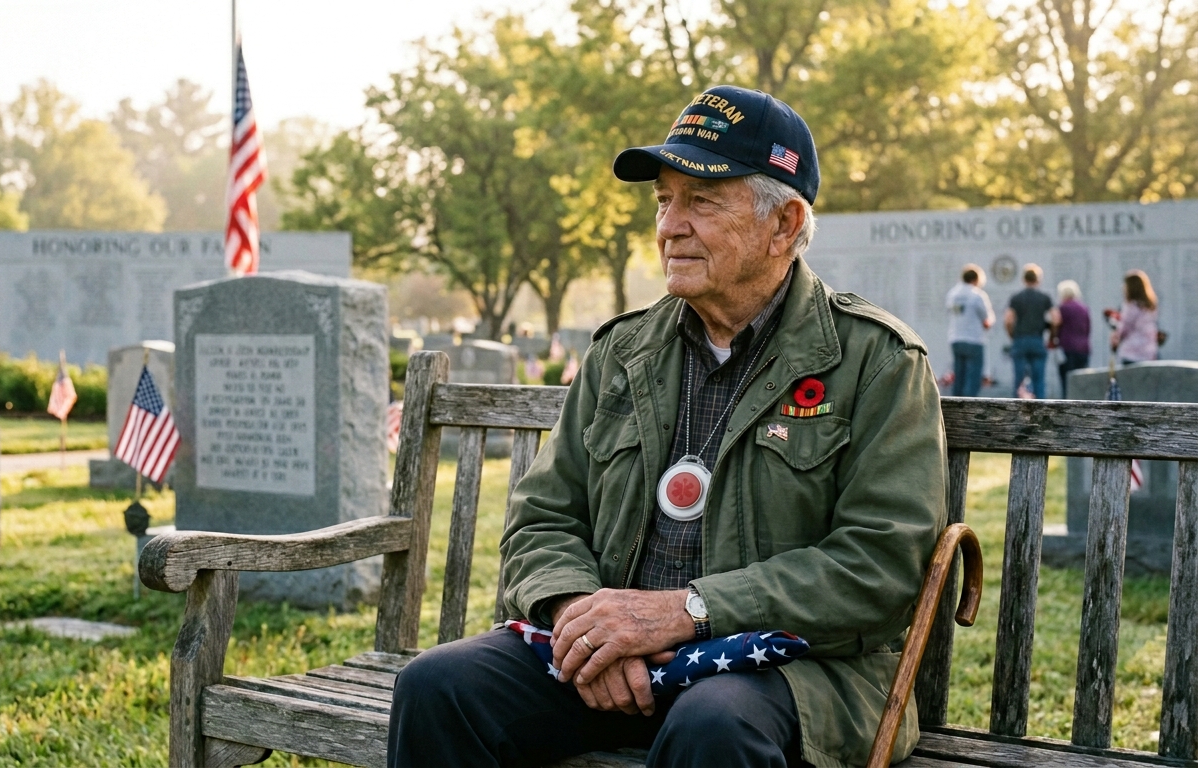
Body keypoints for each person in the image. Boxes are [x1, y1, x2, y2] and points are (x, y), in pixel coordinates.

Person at [389, 85, 945, 768]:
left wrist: (686, 612)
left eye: (702, 201)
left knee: (713, 724)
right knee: (437, 687)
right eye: (663, 201)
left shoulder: (876, 361)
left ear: (784, 223)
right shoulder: (622, 352)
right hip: (617, 659)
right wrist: (586, 623)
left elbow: (879, 564)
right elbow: (541, 519)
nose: (669, 226)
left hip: (788, 671)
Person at [1003, 263, 1057, 399]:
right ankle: (1040, 408)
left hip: (1020, 340)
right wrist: (1052, 337)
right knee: (1039, 380)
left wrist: (1013, 336)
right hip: (1037, 339)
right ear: (1038, 280)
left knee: (1019, 381)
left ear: (1024, 279)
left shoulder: (1016, 298)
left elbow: (1008, 320)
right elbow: (1056, 319)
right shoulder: (1044, 297)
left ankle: (1016, 408)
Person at [945, 264, 994, 396]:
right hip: (974, 340)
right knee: (973, 379)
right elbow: (987, 321)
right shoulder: (977, 295)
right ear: (976, 279)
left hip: (956, 339)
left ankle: (956, 404)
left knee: (959, 378)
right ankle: (970, 404)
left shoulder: (952, 294)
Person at [1111, 270, 1159, 365]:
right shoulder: (1150, 306)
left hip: (1132, 353)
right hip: (1149, 352)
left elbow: (1124, 329)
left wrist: (1116, 333)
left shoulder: (1131, 307)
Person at [1053, 280, 1090, 397]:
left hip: (1067, 349)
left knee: (1067, 382)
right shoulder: (1084, 308)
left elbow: (1056, 325)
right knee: (1081, 382)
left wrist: (1053, 339)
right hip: (1083, 349)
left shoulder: (1062, 308)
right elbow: (1088, 328)